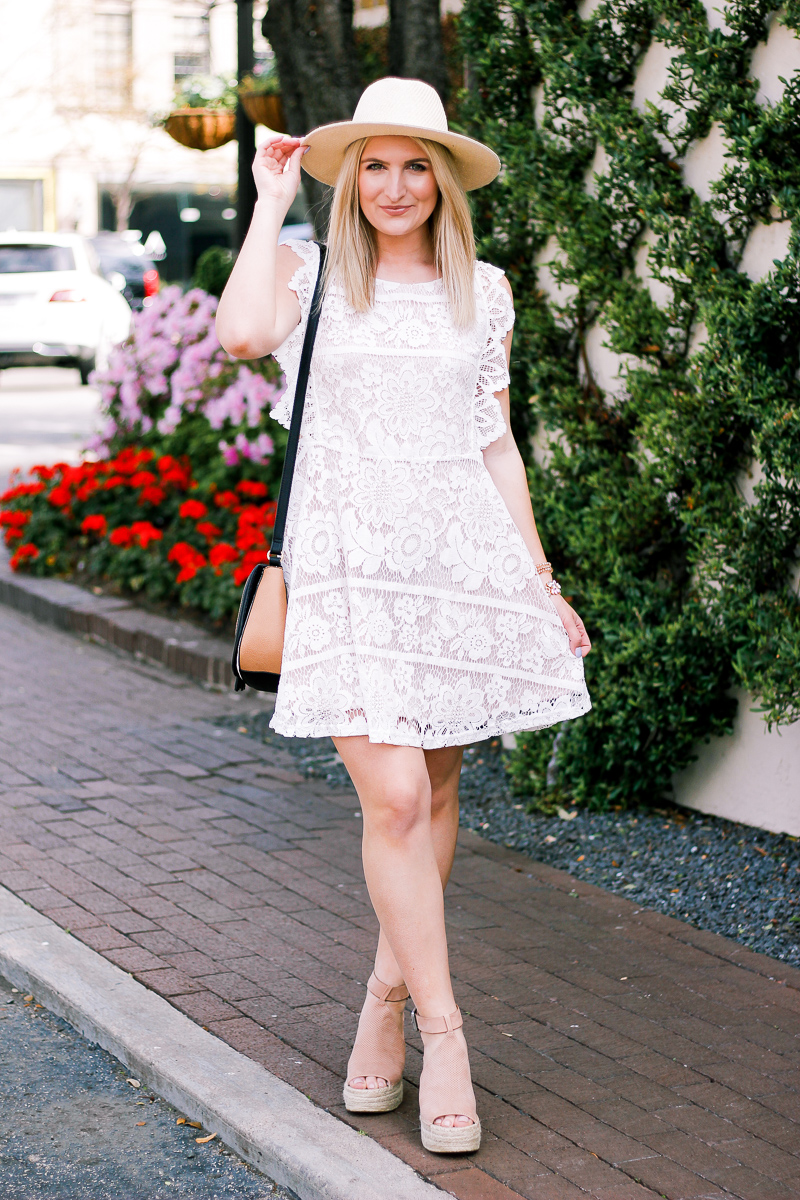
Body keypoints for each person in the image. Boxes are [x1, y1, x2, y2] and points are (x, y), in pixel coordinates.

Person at [216, 76, 592, 1155]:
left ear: (442, 180)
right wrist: (265, 202)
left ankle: (380, 1000)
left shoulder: (489, 289)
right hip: (343, 570)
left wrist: (536, 576)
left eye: (413, 164)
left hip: (454, 564)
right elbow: (242, 337)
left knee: (429, 791)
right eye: (373, 164)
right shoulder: (312, 273)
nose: (392, 185)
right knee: (388, 798)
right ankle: (447, 1029)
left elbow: (493, 443)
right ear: (350, 177)